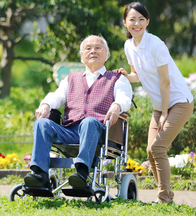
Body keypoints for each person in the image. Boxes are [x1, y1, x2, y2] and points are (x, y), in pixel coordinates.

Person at [24, 35, 133, 189]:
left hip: (99, 131)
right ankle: (39, 175)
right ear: (82, 56)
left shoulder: (117, 78)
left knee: (89, 121)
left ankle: (81, 174)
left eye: (98, 48)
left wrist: (116, 106)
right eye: (88, 48)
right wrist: (46, 104)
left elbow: (125, 98)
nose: (93, 51)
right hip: (70, 131)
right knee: (42, 123)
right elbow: (57, 96)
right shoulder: (71, 79)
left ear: (106, 53)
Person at [116, 1, 193, 203]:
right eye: (132, 19)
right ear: (125, 23)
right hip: (161, 106)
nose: (137, 23)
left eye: (141, 19)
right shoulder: (128, 46)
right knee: (151, 152)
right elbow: (137, 75)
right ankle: (166, 196)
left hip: (178, 102)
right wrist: (125, 75)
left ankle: (164, 198)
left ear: (147, 22)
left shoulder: (156, 44)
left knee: (158, 148)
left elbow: (166, 81)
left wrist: (165, 113)